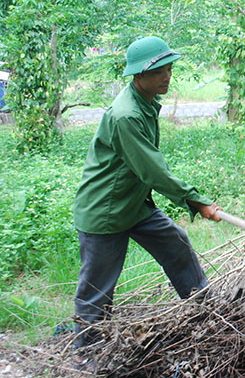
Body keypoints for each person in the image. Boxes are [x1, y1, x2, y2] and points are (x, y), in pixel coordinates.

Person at [72, 36, 222, 359]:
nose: (167, 76)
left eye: (169, 69)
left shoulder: (144, 102)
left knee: (176, 243)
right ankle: (86, 354)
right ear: (137, 75)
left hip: (134, 204)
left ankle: (206, 308)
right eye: (158, 71)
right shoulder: (126, 115)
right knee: (97, 290)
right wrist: (196, 200)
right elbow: (153, 171)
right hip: (106, 212)